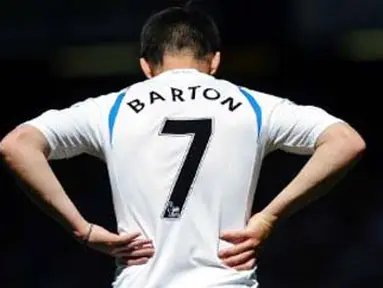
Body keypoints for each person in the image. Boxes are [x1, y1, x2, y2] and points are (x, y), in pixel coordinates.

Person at [0, 6, 365, 288]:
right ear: (216, 62)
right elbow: (346, 141)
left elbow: (17, 144)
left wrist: (84, 229)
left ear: (145, 66)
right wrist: (269, 216)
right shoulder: (254, 106)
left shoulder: (110, 109)